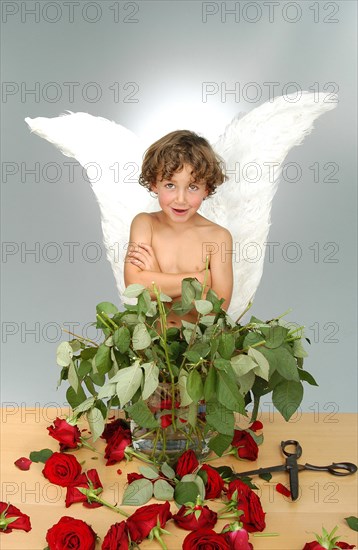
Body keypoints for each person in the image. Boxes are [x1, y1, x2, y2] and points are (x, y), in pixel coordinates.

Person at [124, 130, 233, 326]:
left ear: (206, 188)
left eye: (192, 187)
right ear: (153, 184)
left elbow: (216, 312)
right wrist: (200, 281)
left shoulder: (218, 238)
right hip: (155, 346)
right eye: (170, 185)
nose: (180, 199)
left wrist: (154, 277)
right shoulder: (144, 224)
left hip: (200, 349)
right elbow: (134, 284)